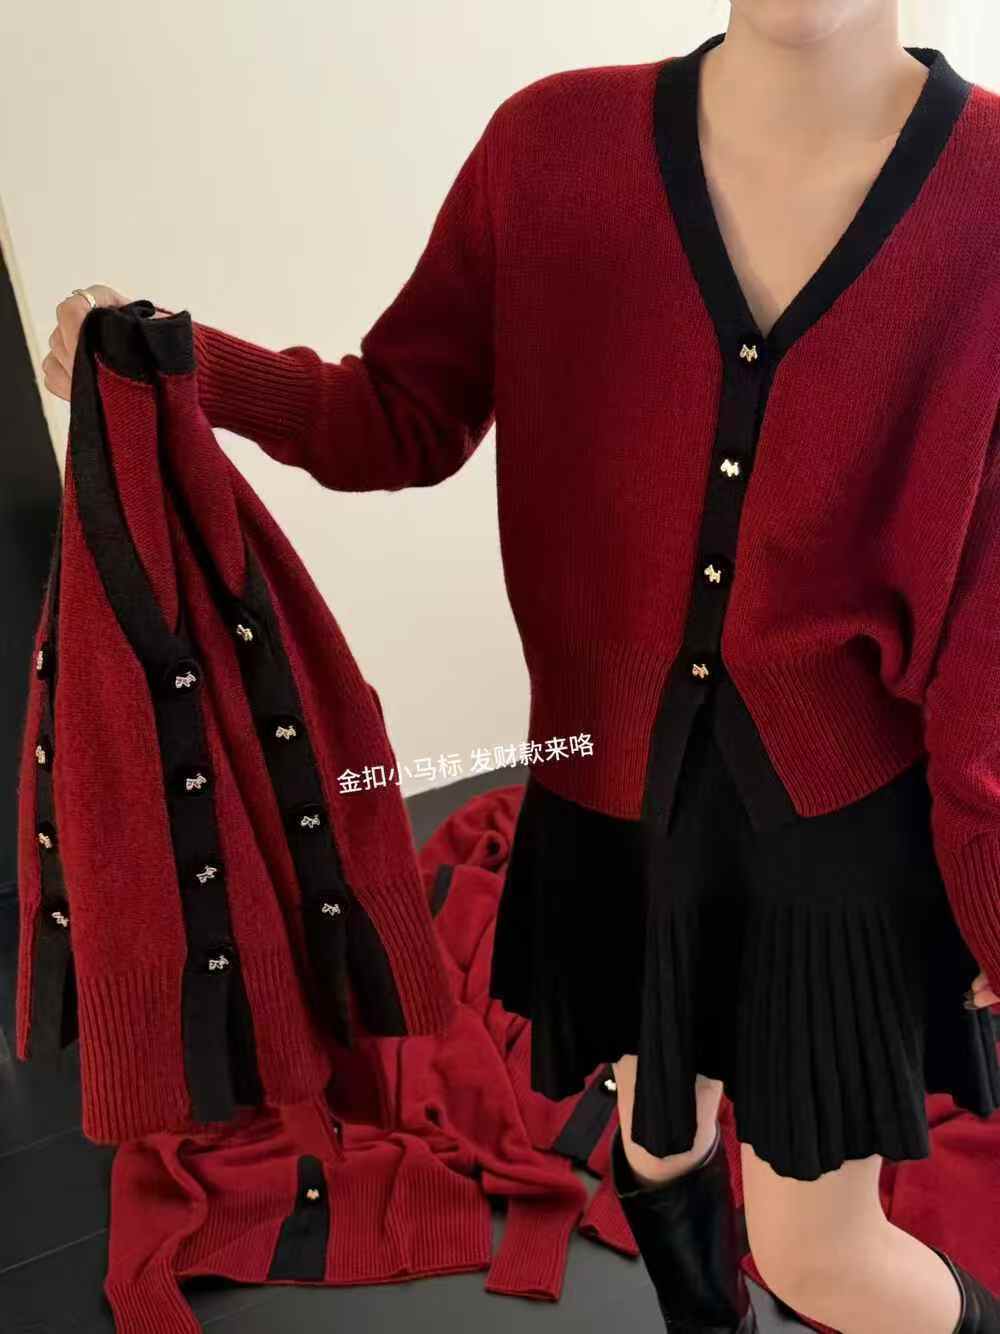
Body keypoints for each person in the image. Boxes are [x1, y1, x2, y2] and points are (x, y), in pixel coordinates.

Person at [42, 3, 1000, 1332]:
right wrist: (189, 369)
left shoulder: (987, 196)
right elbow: (400, 415)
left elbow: (989, 621)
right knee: (656, 1130)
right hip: (606, 796)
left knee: (816, 1254)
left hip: (835, 841)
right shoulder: (552, 147)